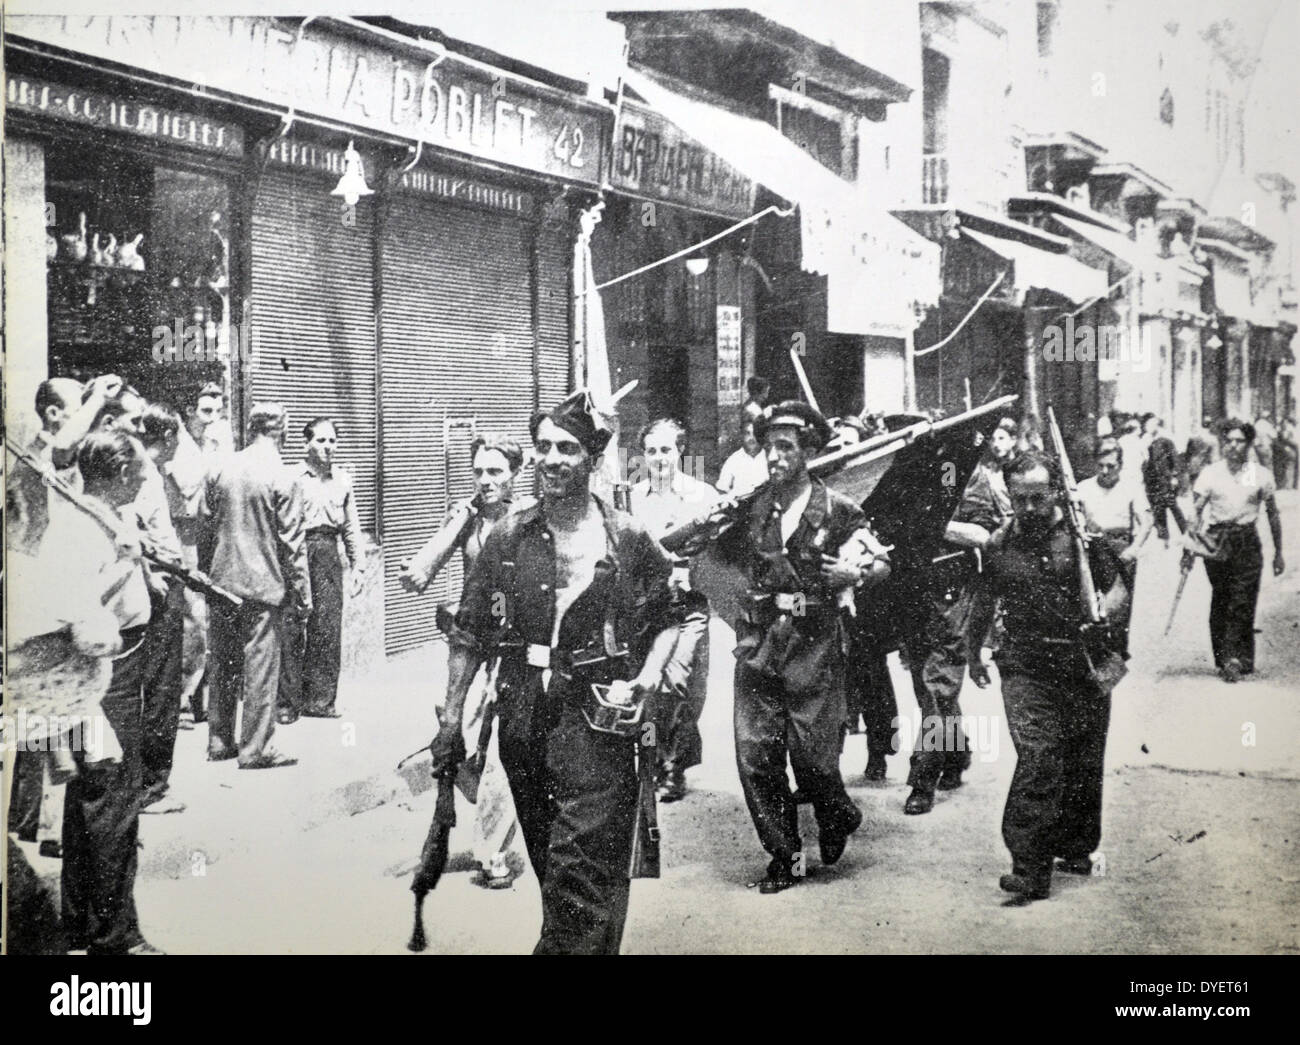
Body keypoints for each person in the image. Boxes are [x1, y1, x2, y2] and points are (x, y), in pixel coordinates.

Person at [428, 390, 683, 953]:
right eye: (543, 447)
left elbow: (675, 615)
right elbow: (471, 632)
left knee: (577, 875)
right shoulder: (508, 538)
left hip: (597, 726)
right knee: (557, 872)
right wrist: (451, 721)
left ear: (592, 458)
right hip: (523, 722)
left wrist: (646, 677)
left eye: (567, 448)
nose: (551, 459)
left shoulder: (626, 538)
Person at [717, 400, 890, 893]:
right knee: (755, 753)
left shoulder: (837, 509)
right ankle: (784, 856)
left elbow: (882, 566)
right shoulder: (751, 507)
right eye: (769, 447)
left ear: (809, 451)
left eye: (785, 448)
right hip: (760, 640)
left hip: (814, 643)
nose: (774, 457)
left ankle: (836, 814)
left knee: (813, 757)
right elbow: (720, 559)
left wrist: (855, 572)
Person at [966, 450, 1130, 904]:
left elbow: (1119, 586)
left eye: (1039, 498)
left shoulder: (1083, 536)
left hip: (1082, 662)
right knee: (1039, 755)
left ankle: (1076, 846)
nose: (1031, 509)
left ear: (1056, 491)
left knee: (1081, 754)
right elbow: (984, 596)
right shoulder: (1001, 542)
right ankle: (1029, 866)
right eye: (1021, 500)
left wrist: (1103, 615)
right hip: (1025, 665)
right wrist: (972, 651)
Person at [398, 434, 532, 890]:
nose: (485, 480)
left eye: (495, 471)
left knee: (498, 751)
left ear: (515, 472)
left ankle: (493, 851)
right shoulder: (466, 516)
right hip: (468, 637)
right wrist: (417, 572)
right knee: (453, 733)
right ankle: (486, 808)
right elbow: (430, 556)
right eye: (478, 471)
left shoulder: (531, 516)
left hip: (515, 644)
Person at [49, 430, 165, 953]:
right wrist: (126, 561)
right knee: (114, 801)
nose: (145, 477)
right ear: (120, 474)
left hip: (116, 667)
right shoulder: (90, 529)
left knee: (90, 799)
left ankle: (79, 922)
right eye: (139, 470)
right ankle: (116, 938)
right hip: (107, 671)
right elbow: (78, 609)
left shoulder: (98, 517)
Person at [897, 416, 1018, 815]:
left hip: (954, 590)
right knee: (926, 682)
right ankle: (956, 751)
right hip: (915, 591)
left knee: (938, 683)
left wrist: (932, 527)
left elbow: (986, 534)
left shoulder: (960, 474)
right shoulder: (907, 474)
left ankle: (923, 779)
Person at [199, 403, 310, 768]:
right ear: (284, 430)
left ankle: (219, 740)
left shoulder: (221, 467)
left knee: (223, 664)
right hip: (263, 586)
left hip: (221, 581)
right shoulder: (284, 475)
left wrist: (207, 573)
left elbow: (205, 523)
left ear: (250, 428)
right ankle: (255, 749)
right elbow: (292, 545)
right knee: (260, 668)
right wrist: (303, 595)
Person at [628, 418, 717, 802]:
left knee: (679, 682)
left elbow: (718, 551)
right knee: (649, 682)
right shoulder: (632, 499)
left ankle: (672, 765)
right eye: (651, 451)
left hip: (690, 602)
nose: (659, 458)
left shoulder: (703, 496)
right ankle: (659, 759)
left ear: (680, 450)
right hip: (647, 606)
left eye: (666, 449)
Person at [278, 418, 364, 722]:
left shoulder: (343, 480)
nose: (328, 447)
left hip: (328, 551)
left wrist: (358, 565)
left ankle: (321, 701)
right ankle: (287, 704)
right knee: (292, 626)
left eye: (332, 441)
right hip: (296, 552)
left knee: (326, 627)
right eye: (321, 441)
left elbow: (351, 527)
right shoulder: (291, 477)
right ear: (306, 444)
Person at [1188, 420, 1285, 683]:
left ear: (1249, 444)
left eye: (1239, 441)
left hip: (1247, 541)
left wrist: (1279, 552)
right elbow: (1196, 510)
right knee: (1222, 596)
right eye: (1228, 440)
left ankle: (1236, 657)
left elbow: (1273, 514)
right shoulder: (1211, 473)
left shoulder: (1260, 474)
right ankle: (1225, 657)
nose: (1233, 446)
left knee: (1243, 598)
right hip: (1218, 539)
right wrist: (1189, 545)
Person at [134, 405, 188, 812]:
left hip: (155, 580)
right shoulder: (147, 474)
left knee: (151, 685)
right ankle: (153, 786)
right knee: (161, 688)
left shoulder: (143, 469)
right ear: (168, 438)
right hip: (160, 583)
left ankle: (145, 780)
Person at [169, 382, 228, 724]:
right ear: (189, 412)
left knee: (206, 618)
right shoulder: (181, 445)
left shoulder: (213, 445)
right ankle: (182, 698)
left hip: (208, 536)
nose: (212, 419)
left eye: (218, 412)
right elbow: (192, 486)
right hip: (184, 536)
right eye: (206, 411)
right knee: (192, 619)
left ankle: (198, 698)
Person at [1077, 441, 1152, 659]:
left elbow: (1147, 521)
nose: (1105, 471)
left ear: (1120, 465)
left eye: (1111, 466)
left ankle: (1117, 650)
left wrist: (1135, 548)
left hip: (1120, 548)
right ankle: (1096, 647)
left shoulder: (1131, 488)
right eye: (1100, 465)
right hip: (1092, 547)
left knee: (1120, 604)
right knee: (1091, 600)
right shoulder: (1083, 488)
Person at [1141, 414, 1185, 545]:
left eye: (1153, 424)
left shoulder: (1165, 440)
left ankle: (1186, 533)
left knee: (1173, 506)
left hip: (1165, 479)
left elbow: (1175, 460)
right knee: (1157, 508)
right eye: (1148, 425)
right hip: (1151, 481)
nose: (1150, 427)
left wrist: (1175, 477)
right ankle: (1163, 539)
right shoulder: (1144, 440)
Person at [716, 416, 769, 496]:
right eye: (747, 434)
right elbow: (722, 489)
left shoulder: (769, 457)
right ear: (741, 436)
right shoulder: (734, 460)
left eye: (755, 434)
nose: (752, 438)